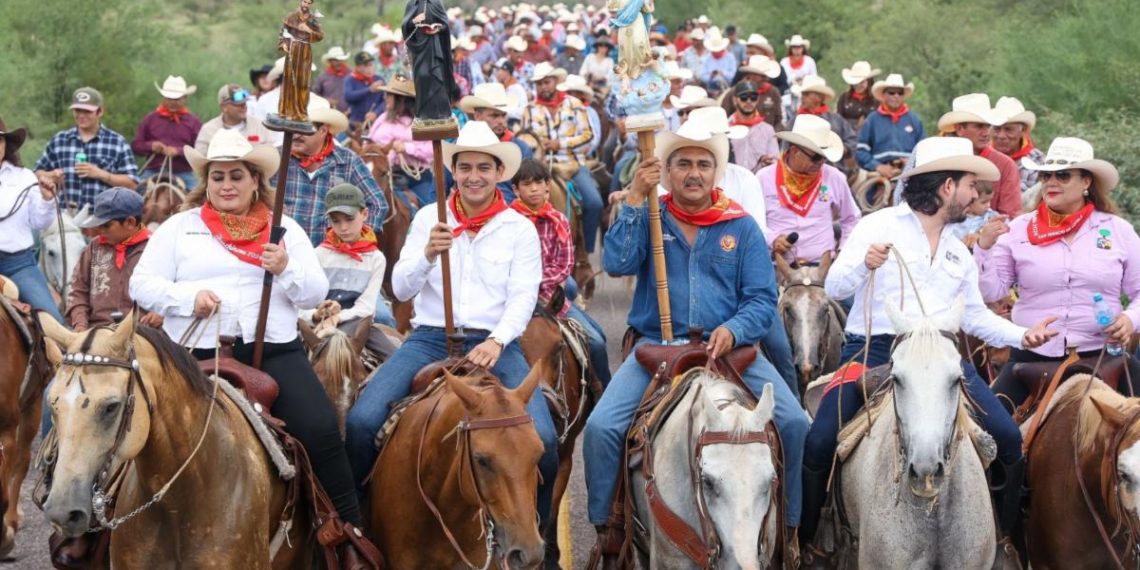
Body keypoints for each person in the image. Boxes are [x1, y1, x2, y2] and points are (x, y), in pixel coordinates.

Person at [801, 137, 1057, 567]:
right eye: (970, 185)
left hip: (943, 357)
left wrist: (1022, 336)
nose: (976, 195)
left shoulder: (959, 251)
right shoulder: (878, 226)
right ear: (946, 187)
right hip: (876, 350)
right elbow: (834, 289)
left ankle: (1003, 542)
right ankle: (806, 543)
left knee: (1010, 440)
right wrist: (865, 262)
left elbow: (974, 317)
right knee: (821, 437)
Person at [129, 130, 370, 555]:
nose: (227, 185)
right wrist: (189, 297)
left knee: (321, 432)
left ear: (255, 179)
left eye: (236, 176)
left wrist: (284, 267)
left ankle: (349, 538)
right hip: (190, 355)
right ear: (207, 181)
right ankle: (91, 534)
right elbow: (142, 284)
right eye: (218, 176)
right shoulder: (179, 229)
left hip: (272, 352)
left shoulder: (285, 230)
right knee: (121, 427)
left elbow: (313, 294)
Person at [585, 120, 810, 554]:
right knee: (601, 428)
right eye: (683, 163)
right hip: (658, 348)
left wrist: (734, 329)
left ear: (716, 172)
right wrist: (633, 198)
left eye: (703, 164)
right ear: (666, 171)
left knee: (796, 423)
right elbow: (617, 263)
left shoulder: (741, 227)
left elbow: (762, 301)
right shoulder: (652, 214)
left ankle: (790, 531)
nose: (694, 173)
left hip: (731, 351)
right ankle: (609, 529)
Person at [344, 121, 560, 528]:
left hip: (495, 342)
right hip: (428, 339)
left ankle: (538, 534)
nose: (473, 176)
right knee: (360, 422)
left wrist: (496, 342)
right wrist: (427, 253)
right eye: (465, 167)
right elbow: (401, 287)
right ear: (453, 171)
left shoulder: (519, 228)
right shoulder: (429, 218)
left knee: (545, 440)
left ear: (499, 173)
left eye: (483, 167)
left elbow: (523, 297)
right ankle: (362, 525)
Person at [979, 137, 1140, 401]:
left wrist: (1128, 320)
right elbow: (993, 290)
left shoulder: (1117, 230)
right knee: (989, 429)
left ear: (1086, 182)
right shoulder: (1018, 229)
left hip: (1102, 355)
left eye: (1063, 175)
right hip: (1031, 358)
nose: (1051, 182)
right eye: (1046, 175)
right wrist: (983, 249)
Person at [511, 159, 611, 386]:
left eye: (539, 182)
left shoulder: (559, 220)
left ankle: (602, 393)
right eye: (527, 184)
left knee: (596, 341)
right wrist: (525, 289)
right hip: (514, 299)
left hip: (550, 298)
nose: (534, 189)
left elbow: (564, 266)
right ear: (515, 190)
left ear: (548, 185)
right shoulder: (507, 221)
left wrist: (537, 286)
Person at [300, 183, 399, 360]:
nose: (343, 227)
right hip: (318, 321)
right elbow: (302, 302)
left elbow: (366, 307)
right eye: (336, 221)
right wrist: (316, 315)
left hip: (356, 322)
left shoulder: (376, 259)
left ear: (365, 214)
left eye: (349, 219)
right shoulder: (318, 254)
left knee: (397, 361)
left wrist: (337, 318)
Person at [521, 63, 604, 256]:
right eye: (539, 83)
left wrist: (561, 143)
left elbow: (588, 134)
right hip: (540, 167)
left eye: (546, 82)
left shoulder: (574, 105)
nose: (543, 87)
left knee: (594, 203)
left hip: (572, 164)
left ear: (556, 82)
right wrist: (539, 146)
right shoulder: (529, 110)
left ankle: (585, 252)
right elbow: (525, 138)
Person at [285, 96, 388, 245]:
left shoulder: (348, 161)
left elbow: (377, 204)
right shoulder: (278, 160)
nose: (296, 134)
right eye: (294, 127)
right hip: (284, 256)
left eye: (305, 128)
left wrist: (353, 243)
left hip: (332, 259)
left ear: (323, 131)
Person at [761, 115, 860, 266]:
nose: (821, 163)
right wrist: (772, 239)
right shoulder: (763, 178)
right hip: (777, 265)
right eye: (816, 157)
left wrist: (843, 252)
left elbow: (851, 218)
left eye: (824, 157)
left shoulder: (835, 177)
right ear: (795, 151)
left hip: (820, 267)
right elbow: (753, 220)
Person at [0, 117, 65, 322]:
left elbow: (41, 223)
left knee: (53, 322)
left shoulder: (24, 177)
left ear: (5, 145)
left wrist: (47, 200)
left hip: (18, 264)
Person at [67, 188, 158, 331]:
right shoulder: (94, 247)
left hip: (144, 332)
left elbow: (174, 289)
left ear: (130, 222)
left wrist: (160, 315)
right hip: (97, 330)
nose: (100, 230)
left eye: (106, 225)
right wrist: (80, 324)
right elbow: (78, 290)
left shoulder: (157, 247)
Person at [35, 87, 138, 208]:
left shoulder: (117, 142)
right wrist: (51, 175)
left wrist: (101, 174)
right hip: (63, 216)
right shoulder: (59, 140)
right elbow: (36, 174)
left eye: (87, 111)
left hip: (103, 219)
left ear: (100, 112)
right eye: (77, 111)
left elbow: (133, 184)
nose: (81, 115)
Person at [932, 93, 1020, 217]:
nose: (986, 133)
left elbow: (1009, 216)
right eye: (979, 126)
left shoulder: (1006, 165)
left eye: (988, 126)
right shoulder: (939, 158)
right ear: (959, 129)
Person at [366, 76, 436, 206]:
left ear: (401, 99)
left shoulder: (421, 122)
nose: (385, 98)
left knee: (430, 208)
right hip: (385, 173)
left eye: (389, 95)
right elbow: (369, 142)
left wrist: (406, 148)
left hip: (417, 177)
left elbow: (431, 151)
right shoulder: (382, 118)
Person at [132, 76, 203, 190]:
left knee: (199, 200)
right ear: (163, 98)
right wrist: (151, 146)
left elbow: (200, 151)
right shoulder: (150, 119)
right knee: (135, 196)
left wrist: (179, 151)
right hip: (153, 170)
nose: (172, 102)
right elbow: (136, 146)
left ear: (185, 98)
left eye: (177, 99)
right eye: (169, 98)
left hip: (183, 173)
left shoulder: (194, 122)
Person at [855, 73, 924, 179]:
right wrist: (877, 166)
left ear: (903, 96)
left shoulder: (914, 119)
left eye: (899, 93)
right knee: (863, 194)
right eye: (891, 92)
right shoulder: (872, 120)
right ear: (884, 95)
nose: (896, 96)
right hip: (879, 175)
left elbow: (924, 149)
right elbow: (861, 151)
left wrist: (911, 162)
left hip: (909, 174)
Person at [789, 75, 857, 174]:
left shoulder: (836, 119)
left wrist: (842, 149)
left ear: (819, 97)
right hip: (799, 171)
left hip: (834, 170)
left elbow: (852, 140)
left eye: (806, 94)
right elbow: (785, 148)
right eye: (802, 94)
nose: (802, 97)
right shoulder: (795, 120)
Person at [459, 82, 534, 168]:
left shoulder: (521, 149)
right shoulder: (463, 145)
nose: (501, 121)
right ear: (477, 116)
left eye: (503, 115)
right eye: (494, 116)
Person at [194, 84, 275, 155]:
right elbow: (199, 160)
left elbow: (271, 154)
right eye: (238, 104)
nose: (244, 106)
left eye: (245, 103)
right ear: (224, 107)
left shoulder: (259, 126)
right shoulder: (208, 130)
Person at [992, 96, 1046, 196]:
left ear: (1023, 131)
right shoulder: (983, 157)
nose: (1001, 136)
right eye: (997, 129)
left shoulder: (1037, 161)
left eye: (1009, 130)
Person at [728, 81, 779, 173]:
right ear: (735, 100)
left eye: (753, 97)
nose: (749, 101)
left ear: (758, 99)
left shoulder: (768, 130)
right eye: (744, 97)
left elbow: (775, 162)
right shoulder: (726, 128)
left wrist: (767, 162)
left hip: (758, 182)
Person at [724, 55, 783, 128]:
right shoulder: (735, 92)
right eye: (762, 76)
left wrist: (772, 135)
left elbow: (779, 119)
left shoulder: (773, 92)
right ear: (751, 74)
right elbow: (723, 117)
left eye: (765, 76)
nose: (765, 79)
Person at [557, 74, 602, 159]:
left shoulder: (590, 112)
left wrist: (583, 150)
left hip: (580, 155)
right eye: (567, 93)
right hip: (559, 153)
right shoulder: (560, 109)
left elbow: (594, 138)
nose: (568, 96)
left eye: (571, 93)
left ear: (580, 94)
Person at [343, 52, 387, 132]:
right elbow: (348, 97)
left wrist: (376, 113)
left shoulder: (379, 80)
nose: (369, 68)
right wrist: (369, 90)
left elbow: (386, 101)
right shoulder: (350, 80)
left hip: (376, 123)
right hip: (355, 124)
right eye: (366, 66)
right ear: (358, 68)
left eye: (371, 65)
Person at [949, 181, 998, 247]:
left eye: (990, 201)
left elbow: (1001, 226)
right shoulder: (956, 218)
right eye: (984, 202)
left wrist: (980, 233)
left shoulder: (991, 216)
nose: (988, 205)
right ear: (969, 201)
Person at [837, 61, 880, 131]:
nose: (857, 85)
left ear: (869, 81)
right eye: (855, 83)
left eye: (861, 82)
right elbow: (839, 120)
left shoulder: (876, 100)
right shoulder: (844, 98)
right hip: (847, 136)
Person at [312, 46, 351, 112]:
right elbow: (315, 95)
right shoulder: (323, 77)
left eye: (341, 60)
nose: (339, 62)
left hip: (349, 115)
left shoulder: (351, 75)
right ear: (330, 61)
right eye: (336, 60)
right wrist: (326, 100)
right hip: (328, 113)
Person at [700, 28, 737, 94]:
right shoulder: (706, 59)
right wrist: (711, 76)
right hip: (710, 90)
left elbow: (733, 75)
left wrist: (722, 73)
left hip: (728, 89)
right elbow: (702, 76)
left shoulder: (730, 58)